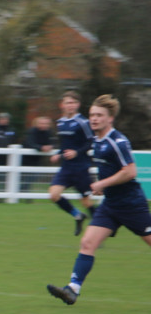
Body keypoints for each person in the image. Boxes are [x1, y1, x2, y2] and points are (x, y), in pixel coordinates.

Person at [47, 95, 150, 305]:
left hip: (131, 205)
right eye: (92, 115)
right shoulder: (97, 140)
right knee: (87, 242)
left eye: (99, 115)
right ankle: (72, 289)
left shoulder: (117, 141)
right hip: (110, 205)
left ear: (110, 118)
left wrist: (102, 184)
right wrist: (104, 184)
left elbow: (130, 171)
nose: (94, 119)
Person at [48, 91, 96, 236]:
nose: (71, 105)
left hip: (80, 168)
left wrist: (77, 152)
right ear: (62, 105)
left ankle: (99, 230)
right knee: (54, 195)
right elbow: (65, 145)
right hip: (66, 168)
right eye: (68, 102)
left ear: (78, 105)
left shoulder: (83, 122)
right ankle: (77, 215)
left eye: (74, 103)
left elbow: (91, 142)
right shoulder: (61, 122)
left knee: (86, 202)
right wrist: (58, 153)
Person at [22, 115, 55, 198]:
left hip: (36, 159)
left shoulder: (49, 132)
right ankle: (23, 194)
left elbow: (53, 142)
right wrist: (41, 147)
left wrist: (50, 146)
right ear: (37, 124)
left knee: (32, 177)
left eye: (46, 123)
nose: (44, 125)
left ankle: (25, 195)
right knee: (25, 178)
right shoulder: (32, 131)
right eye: (41, 123)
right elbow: (30, 143)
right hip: (25, 159)